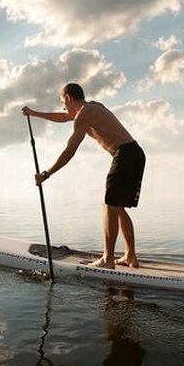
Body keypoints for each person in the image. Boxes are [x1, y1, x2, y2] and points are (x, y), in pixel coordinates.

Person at [21, 83, 145, 269]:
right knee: (117, 206)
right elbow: (64, 117)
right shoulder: (94, 107)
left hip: (125, 154)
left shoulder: (84, 114)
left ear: (69, 98)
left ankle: (107, 260)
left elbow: (69, 151)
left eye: (64, 103)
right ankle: (130, 256)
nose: (64, 107)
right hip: (135, 153)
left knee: (109, 204)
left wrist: (46, 174)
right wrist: (34, 113)